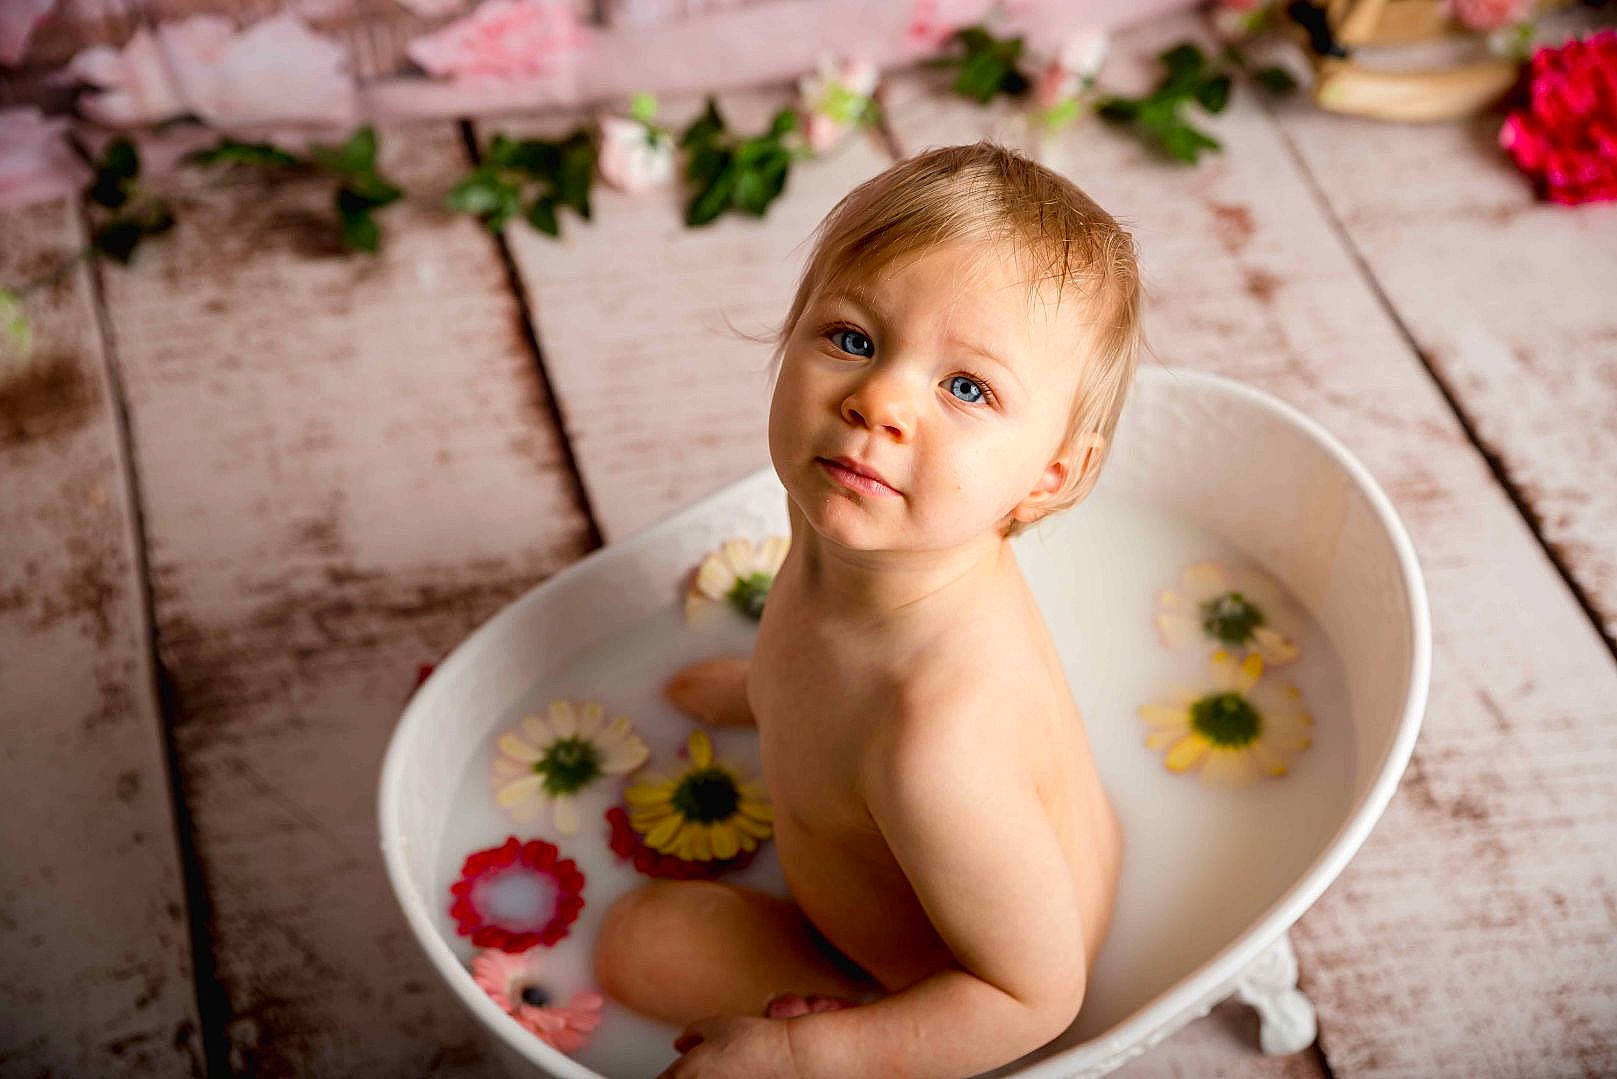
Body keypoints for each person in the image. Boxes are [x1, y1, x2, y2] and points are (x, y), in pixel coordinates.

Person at [594, 139, 1143, 1079]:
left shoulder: (935, 746)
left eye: (965, 387)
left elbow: (1039, 998)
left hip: (942, 979)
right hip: (928, 834)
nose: (878, 399)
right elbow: (835, 645)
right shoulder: (862, 531)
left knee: (646, 943)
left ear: (1051, 474)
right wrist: (771, 690)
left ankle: (851, 1018)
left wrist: (811, 1053)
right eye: (852, 338)